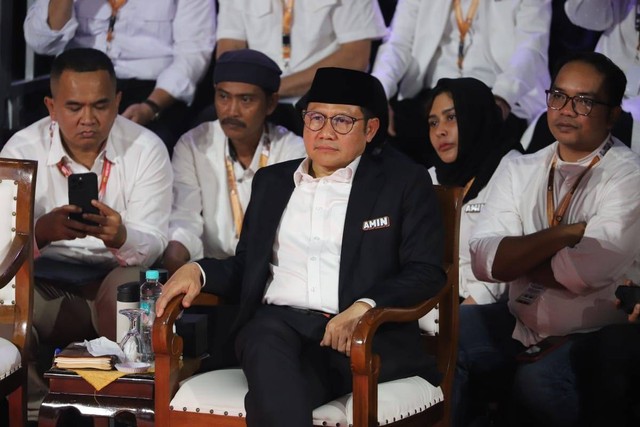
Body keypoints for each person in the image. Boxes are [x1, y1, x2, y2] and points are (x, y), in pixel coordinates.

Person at [155, 67, 446, 426]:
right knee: (264, 337)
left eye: (341, 121)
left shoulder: (402, 182)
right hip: (277, 330)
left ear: (370, 130)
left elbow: (426, 272)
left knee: (275, 397)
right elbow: (247, 268)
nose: (325, 132)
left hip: (357, 338)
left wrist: (364, 307)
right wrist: (197, 270)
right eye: (316, 118)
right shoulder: (272, 182)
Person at [456, 51, 640, 427]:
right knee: (449, 332)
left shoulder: (628, 177)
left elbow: (583, 272)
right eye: (558, 96)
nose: (566, 109)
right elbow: (484, 260)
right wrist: (564, 234)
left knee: (538, 384)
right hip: (516, 319)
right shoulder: (518, 167)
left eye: (584, 101)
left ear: (613, 114)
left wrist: (518, 259)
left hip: (590, 329)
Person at [0, 48, 172, 344]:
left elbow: (155, 239)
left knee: (133, 289)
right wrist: (41, 232)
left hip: (115, 272)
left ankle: (127, 388)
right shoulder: (21, 151)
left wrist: (120, 237)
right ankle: (37, 392)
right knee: (7, 297)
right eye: (74, 107)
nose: (88, 119)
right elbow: (2, 246)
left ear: (118, 102)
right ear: (51, 107)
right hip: (45, 280)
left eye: (100, 106)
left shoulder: (146, 148)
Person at [162, 48, 306, 276]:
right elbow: (185, 219)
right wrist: (174, 260)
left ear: (270, 103)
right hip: (209, 270)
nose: (232, 110)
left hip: (271, 273)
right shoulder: (193, 144)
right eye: (223, 96)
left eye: (246, 100)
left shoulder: (293, 150)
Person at [371, 0, 551, 165]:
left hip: (494, 92)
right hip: (433, 93)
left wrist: (502, 98)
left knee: (482, 136)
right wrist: (377, 95)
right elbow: (397, 44)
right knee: (382, 130)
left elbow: (530, 49)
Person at [23, 0, 217, 152]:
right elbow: (41, 43)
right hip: (77, 86)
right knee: (36, 143)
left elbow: (192, 55)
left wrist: (150, 107)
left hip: (151, 94)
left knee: (149, 144)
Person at [419, 77, 522, 333]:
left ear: (475, 116)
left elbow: (499, 274)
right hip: (440, 304)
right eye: (433, 123)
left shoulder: (512, 169)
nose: (440, 130)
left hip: (494, 311)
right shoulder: (431, 177)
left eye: (451, 118)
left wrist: (444, 326)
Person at [215, 0, 386, 134]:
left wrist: (271, 88)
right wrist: (250, 92)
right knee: (213, 124)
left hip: (322, 98)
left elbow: (355, 57)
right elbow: (230, 50)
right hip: (256, 99)